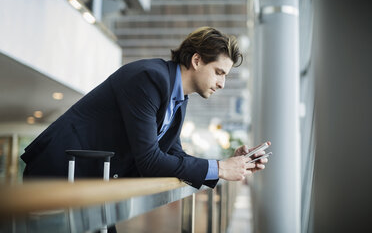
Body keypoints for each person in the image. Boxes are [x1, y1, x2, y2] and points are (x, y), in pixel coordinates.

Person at [21, 26, 269, 189]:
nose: (222, 84)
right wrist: (220, 169)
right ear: (196, 60)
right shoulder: (149, 79)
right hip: (58, 175)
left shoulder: (178, 100)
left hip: (89, 182)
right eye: (218, 72)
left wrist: (225, 163)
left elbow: (175, 156)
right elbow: (149, 160)